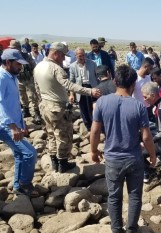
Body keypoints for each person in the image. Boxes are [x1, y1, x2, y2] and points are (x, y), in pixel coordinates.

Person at [90, 64, 156, 233]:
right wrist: (153, 155)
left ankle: (116, 230)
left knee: (114, 196)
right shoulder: (138, 106)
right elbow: (146, 137)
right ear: (134, 84)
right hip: (133, 157)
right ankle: (132, 231)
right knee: (135, 196)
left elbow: (95, 131)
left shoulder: (102, 102)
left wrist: (93, 151)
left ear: (114, 81)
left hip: (112, 158)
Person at [34, 42, 102, 173]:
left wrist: (41, 102)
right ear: (55, 54)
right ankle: (62, 162)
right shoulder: (55, 68)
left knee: (51, 135)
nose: (64, 59)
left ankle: (54, 161)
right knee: (64, 135)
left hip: (44, 106)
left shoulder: (38, 66)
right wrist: (90, 91)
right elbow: (69, 85)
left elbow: (37, 88)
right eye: (62, 56)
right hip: (56, 107)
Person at [0, 49, 39, 197]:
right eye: (18, 64)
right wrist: (12, 126)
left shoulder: (12, 76)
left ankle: (17, 185)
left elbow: (14, 104)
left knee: (19, 155)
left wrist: (22, 124)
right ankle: (25, 184)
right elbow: (1, 104)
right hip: (5, 125)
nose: (20, 67)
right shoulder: (2, 78)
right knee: (30, 153)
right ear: (8, 62)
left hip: (13, 124)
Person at [9, 40, 42, 125]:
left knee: (33, 96)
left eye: (13, 48)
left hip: (29, 80)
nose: (12, 50)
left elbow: (34, 66)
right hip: (18, 79)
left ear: (19, 48)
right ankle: (26, 110)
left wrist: (35, 77)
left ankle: (36, 113)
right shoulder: (11, 58)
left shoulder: (26, 56)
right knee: (22, 95)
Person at [69, 48, 99, 131]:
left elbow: (97, 77)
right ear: (76, 56)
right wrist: (71, 94)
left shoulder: (92, 63)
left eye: (83, 55)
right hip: (80, 89)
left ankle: (95, 125)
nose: (82, 57)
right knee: (83, 108)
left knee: (94, 107)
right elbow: (71, 82)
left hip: (92, 87)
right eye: (80, 56)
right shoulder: (72, 66)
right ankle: (88, 127)